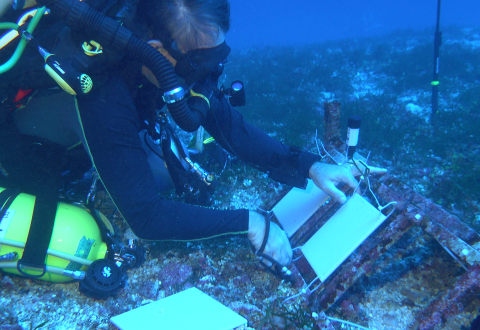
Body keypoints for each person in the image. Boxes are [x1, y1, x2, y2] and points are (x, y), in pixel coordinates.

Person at [0, 0, 386, 274]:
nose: (205, 80)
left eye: (215, 62)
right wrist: (250, 222)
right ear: (153, 52)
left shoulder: (164, 61)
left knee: (168, 175)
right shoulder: (100, 87)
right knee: (152, 184)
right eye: (197, 66)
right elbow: (147, 219)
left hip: (111, 120)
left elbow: (231, 127)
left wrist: (311, 166)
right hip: (33, 150)